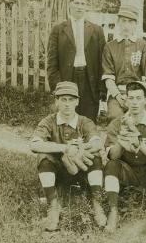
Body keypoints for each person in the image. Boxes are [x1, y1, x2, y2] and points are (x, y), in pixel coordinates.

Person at [30, 81, 106, 232]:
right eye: (63, 99)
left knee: (96, 157)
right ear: (56, 101)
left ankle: (97, 202)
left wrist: (81, 149)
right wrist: (64, 148)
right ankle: (53, 204)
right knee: (44, 157)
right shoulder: (48, 121)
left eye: (71, 100)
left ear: (77, 101)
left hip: (81, 170)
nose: (67, 104)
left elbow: (97, 142)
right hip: (59, 173)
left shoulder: (84, 121)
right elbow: (34, 145)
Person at [102, 81, 146, 233]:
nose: (134, 103)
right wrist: (121, 143)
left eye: (139, 98)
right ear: (125, 100)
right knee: (111, 165)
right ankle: (113, 211)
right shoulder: (116, 123)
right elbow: (112, 156)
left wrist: (140, 146)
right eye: (131, 98)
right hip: (128, 172)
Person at [47, 0, 106, 122]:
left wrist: (101, 88)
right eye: (77, 3)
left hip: (88, 77)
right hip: (68, 77)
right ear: (70, 4)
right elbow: (52, 61)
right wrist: (56, 86)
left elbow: (102, 61)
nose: (80, 7)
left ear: (87, 7)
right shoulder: (59, 29)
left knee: (88, 117)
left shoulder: (97, 30)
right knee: (67, 114)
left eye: (83, 4)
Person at [101, 5, 146, 121]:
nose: (126, 25)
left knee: (141, 119)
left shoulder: (143, 45)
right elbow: (108, 77)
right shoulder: (110, 47)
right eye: (123, 21)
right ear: (118, 22)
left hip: (138, 93)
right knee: (115, 117)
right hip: (118, 93)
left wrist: (137, 97)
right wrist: (118, 96)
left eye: (130, 22)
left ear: (135, 24)